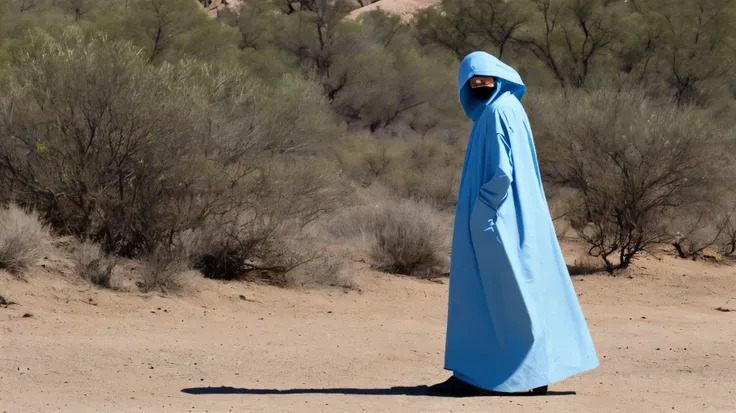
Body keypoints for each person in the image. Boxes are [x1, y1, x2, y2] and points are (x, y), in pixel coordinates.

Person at [428, 51, 599, 396]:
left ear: (498, 78)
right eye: (472, 82)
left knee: (489, 294)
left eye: (484, 80)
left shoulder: (497, 112)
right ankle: (532, 373)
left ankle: (481, 374)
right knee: (522, 291)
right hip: (513, 217)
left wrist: (484, 211)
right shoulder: (508, 109)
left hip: (495, 218)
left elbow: (503, 171)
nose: (478, 87)